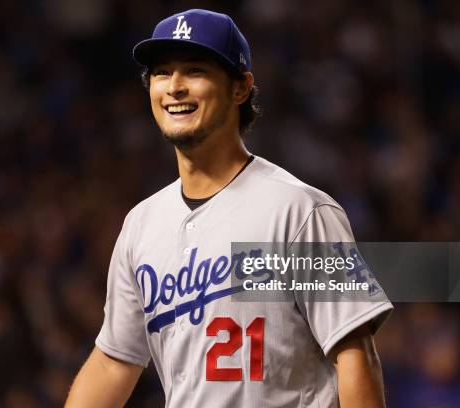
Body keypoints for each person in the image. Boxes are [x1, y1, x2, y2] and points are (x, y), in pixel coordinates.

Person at [65, 9, 393, 408]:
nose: (175, 87)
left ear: (240, 88)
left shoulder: (300, 210)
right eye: (162, 73)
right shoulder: (141, 224)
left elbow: (354, 354)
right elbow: (114, 362)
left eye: (195, 71)